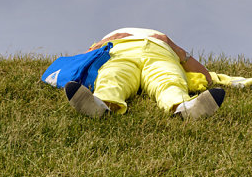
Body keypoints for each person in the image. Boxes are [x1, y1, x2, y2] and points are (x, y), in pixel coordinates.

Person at [64, 27, 225, 121]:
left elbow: (207, 77)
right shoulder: (108, 42)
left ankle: (185, 107)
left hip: (160, 52)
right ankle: (101, 103)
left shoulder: (165, 42)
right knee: (113, 75)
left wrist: (172, 46)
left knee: (168, 78)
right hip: (119, 51)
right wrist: (99, 45)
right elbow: (81, 63)